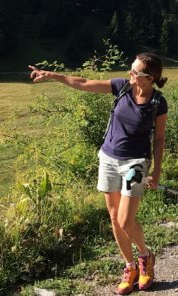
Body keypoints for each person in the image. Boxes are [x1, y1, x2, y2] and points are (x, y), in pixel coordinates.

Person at [29, 53, 168, 295]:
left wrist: (156, 170)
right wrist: (54, 76)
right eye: (131, 70)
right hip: (108, 159)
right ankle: (129, 267)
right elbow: (84, 83)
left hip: (135, 164)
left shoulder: (158, 102)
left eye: (136, 73)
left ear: (151, 78)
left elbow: (158, 139)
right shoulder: (122, 87)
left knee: (126, 219)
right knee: (115, 219)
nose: (130, 75)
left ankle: (145, 257)